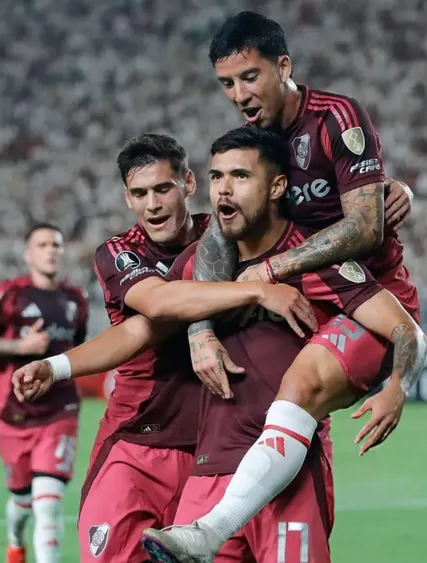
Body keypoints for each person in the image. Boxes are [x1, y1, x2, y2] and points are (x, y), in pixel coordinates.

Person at [15, 127, 426, 563]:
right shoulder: (182, 259)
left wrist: (392, 191)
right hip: (184, 458)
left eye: (241, 177)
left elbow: (395, 311)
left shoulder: (306, 256)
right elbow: (144, 324)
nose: (226, 190)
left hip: (282, 462)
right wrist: (57, 366)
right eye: (219, 177)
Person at [78, 133, 317, 562]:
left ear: (189, 184)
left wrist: (385, 194)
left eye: (163, 188)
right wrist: (251, 296)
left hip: (211, 453)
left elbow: (293, 209)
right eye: (140, 193)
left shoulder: (228, 231)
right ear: (127, 199)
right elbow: (155, 309)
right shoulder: (119, 252)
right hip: (136, 442)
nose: (153, 203)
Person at [186, 9, 418, 450]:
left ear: (284, 67)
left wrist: (270, 269)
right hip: (299, 297)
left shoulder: (336, 117)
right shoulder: (252, 140)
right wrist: (201, 333)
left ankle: (212, 524)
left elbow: (366, 229)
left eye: (249, 77)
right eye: (228, 83)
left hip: (368, 296)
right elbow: (220, 234)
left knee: (296, 395)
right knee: (248, 412)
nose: (239, 94)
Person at [0, 223, 90, 563]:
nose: (51, 250)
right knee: (22, 501)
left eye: (56, 244)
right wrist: (20, 346)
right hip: (15, 414)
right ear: (28, 254)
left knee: (48, 503)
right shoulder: (10, 294)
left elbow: (76, 348)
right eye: (43, 244)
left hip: (60, 411)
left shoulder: (76, 300)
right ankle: (14, 540)